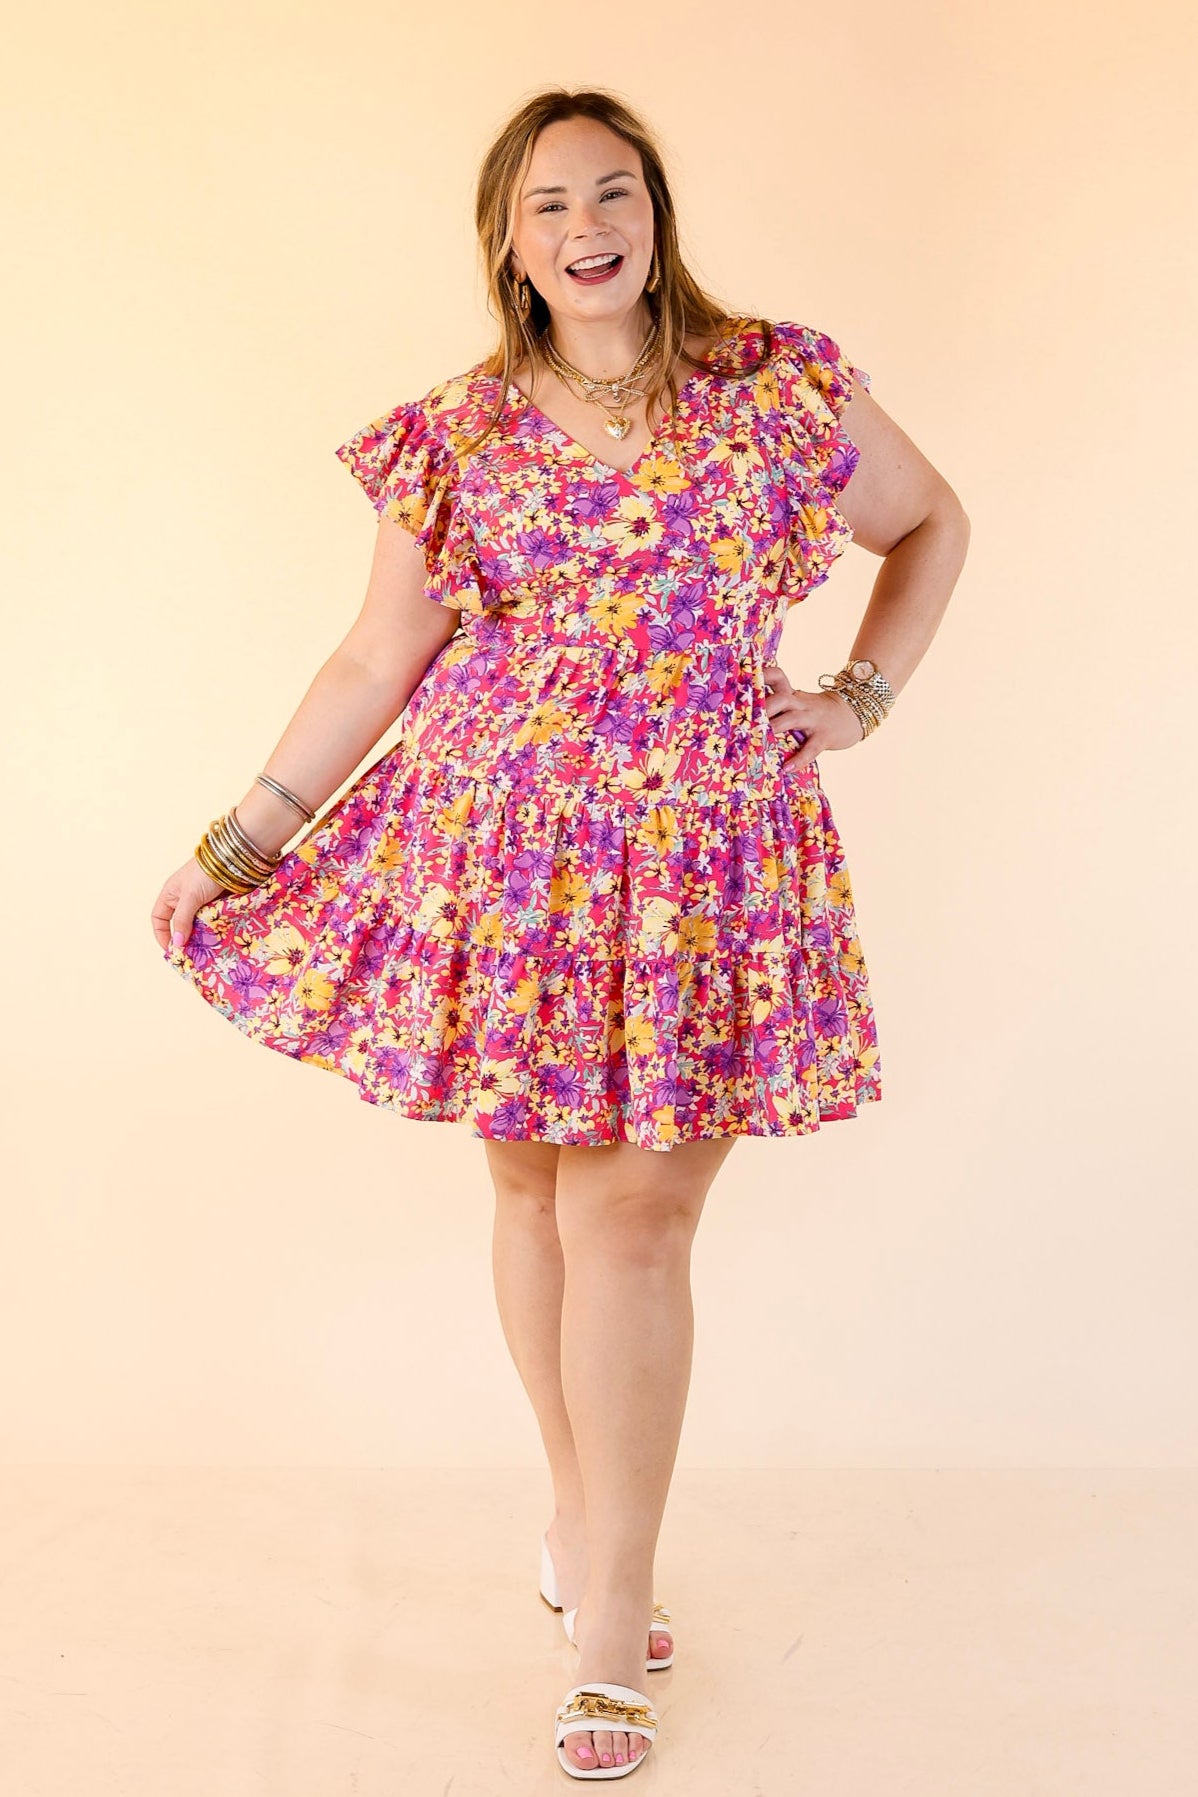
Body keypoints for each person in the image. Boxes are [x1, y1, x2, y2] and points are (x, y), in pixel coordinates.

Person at [150, 86, 969, 1782]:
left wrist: (861, 696)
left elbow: (930, 522)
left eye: (612, 192)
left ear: (657, 213)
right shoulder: (455, 432)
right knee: (533, 1192)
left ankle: (609, 1613)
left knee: (637, 1216)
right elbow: (375, 657)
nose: (585, 225)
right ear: (507, 243)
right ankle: (588, 1521)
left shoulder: (778, 386)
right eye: (548, 205)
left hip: (706, 865)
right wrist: (240, 837)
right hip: (508, 863)